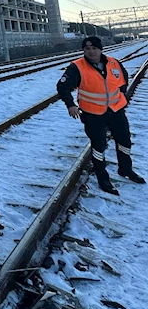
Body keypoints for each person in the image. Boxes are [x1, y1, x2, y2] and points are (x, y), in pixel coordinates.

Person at [57, 35, 144, 195]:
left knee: (124, 140)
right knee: (99, 146)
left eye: (94, 48)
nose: (91, 52)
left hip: (116, 110)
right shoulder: (76, 67)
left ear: (100, 49)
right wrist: (70, 105)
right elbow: (62, 87)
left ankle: (126, 169)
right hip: (93, 113)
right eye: (87, 49)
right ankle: (103, 179)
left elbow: (124, 80)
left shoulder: (114, 63)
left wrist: (122, 96)